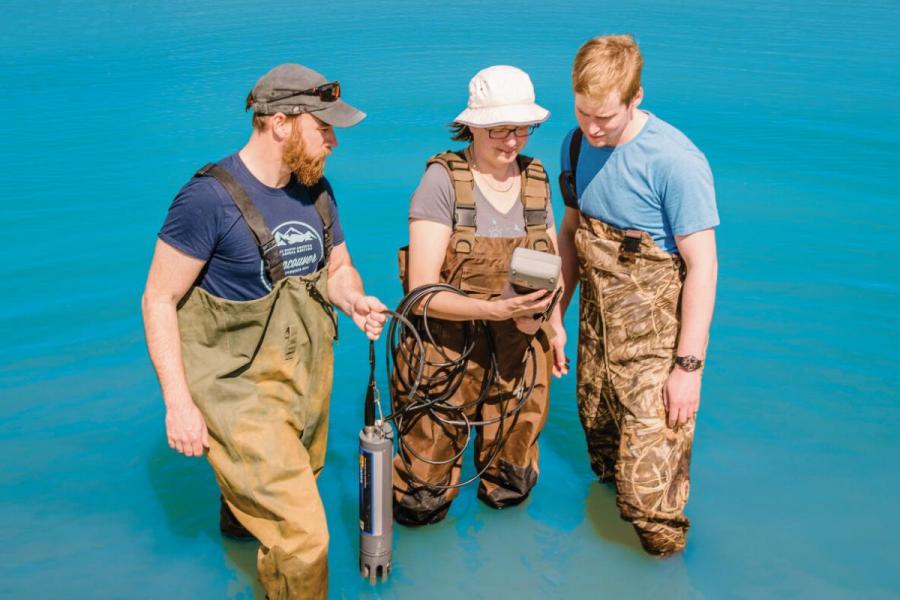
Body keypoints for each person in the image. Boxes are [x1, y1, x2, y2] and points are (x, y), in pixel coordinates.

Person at [141, 63, 387, 599]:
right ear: (279, 123)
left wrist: (353, 300)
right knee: (304, 538)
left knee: (281, 504)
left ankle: (245, 531)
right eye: (322, 126)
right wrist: (178, 403)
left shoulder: (315, 190)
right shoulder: (207, 200)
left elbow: (340, 268)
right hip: (237, 394)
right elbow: (158, 298)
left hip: (303, 385)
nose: (333, 140)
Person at [556, 35, 719, 556]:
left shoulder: (676, 162)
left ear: (636, 98)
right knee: (604, 463)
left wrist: (687, 369)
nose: (592, 127)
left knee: (652, 502)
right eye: (583, 112)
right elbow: (571, 235)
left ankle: (669, 576)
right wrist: (555, 318)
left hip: (657, 354)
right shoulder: (575, 144)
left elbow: (704, 267)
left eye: (605, 116)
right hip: (597, 344)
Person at [391, 65, 568, 526]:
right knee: (421, 498)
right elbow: (422, 294)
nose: (512, 142)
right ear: (471, 125)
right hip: (446, 352)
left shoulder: (537, 180)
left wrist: (554, 324)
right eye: (499, 130)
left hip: (520, 348)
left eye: (522, 129)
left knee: (511, 482)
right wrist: (494, 309)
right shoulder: (442, 182)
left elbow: (553, 265)